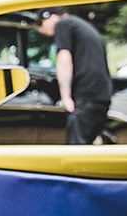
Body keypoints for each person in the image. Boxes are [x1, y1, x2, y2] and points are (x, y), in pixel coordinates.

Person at [36, 8, 112, 145]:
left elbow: (64, 59)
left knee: (75, 148)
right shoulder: (83, 26)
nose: (40, 30)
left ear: (51, 17)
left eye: (40, 23)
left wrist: (65, 97)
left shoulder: (63, 24)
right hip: (102, 96)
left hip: (86, 95)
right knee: (87, 146)